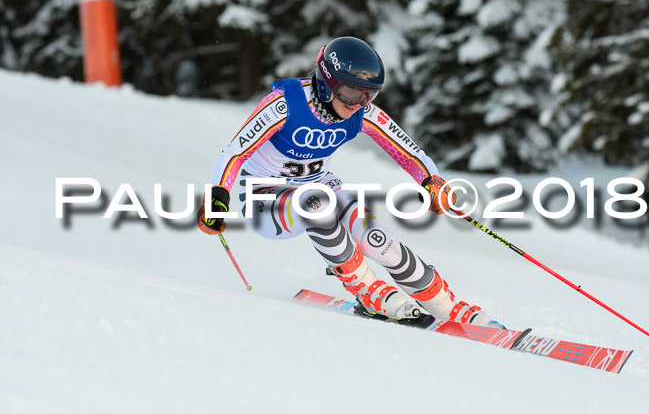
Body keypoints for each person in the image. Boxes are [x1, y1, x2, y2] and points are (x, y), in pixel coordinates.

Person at [197, 36, 503, 327]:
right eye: (351, 93)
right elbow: (235, 152)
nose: (359, 103)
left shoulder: (361, 112)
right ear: (327, 83)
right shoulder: (285, 104)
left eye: (369, 95)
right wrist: (217, 200)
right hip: (265, 200)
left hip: (319, 186)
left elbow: (406, 150)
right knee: (315, 204)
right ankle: (368, 290)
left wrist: (431, 181)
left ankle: (446, 307)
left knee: (374, 237)